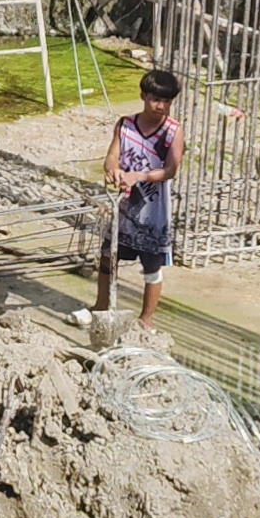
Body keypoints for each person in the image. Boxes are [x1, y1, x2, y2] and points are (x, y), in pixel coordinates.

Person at [95, 69, 184, 329]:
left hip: (154, 211)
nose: (161, 106)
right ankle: (101, 305)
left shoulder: (173, 131)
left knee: (152, 267)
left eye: (167, 102)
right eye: (156, 100)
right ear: (143, 96)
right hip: (125, 207)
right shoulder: (125, 125)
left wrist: (140, 176)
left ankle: (147, 317)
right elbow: (112, 156)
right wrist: (114, 170)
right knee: (108, 256)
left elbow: (170, 170)